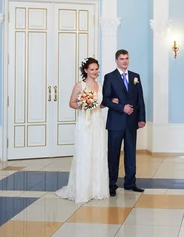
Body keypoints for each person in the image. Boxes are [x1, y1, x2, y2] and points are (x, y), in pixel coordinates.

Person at [56, 57, 110, 203]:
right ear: (86, 70)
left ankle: (97, 189)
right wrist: (84, 106)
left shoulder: (100, 85)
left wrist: (107, 104)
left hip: (97, 121)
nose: (95, 72)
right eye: (92, 69)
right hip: (85, 122)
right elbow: (71, 103)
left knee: (98, 152)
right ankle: (83, 190)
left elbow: (99, 104)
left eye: (96, 69)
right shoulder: (80, 85)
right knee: (85, 152)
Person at [102, 49, 146, 196]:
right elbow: (106, 100)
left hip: (131, 122)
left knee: (130, 153)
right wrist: (122, 108)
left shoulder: (135, 77)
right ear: (116, 60)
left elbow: (140, 99)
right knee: (114, 154)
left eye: (127, 58)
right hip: (115, 122)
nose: (125, 61)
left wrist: (141, 118)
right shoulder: (110, 77)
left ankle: (130, 183)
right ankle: (112, 184)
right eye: (122, 59)